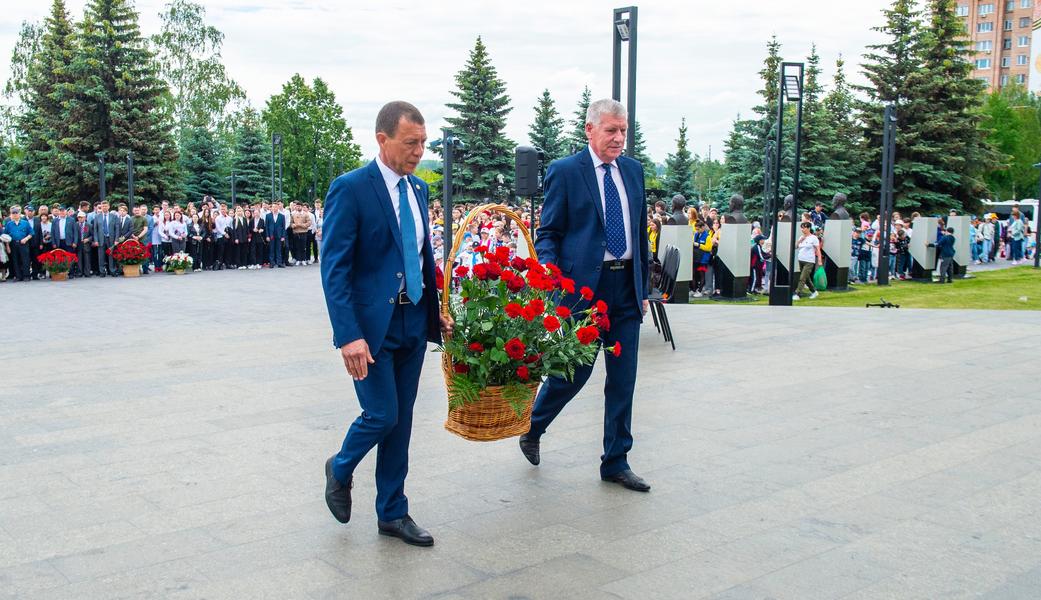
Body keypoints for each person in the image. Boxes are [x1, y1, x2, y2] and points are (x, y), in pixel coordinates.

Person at [320, 101, 452, 547]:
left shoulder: (418, 191)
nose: (419, 151)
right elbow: (334, 269)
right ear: (382, 139)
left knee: (402, 420)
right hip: (371, 328)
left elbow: (420, 258)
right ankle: (340, 467)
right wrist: (348, 335)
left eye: (423, 142)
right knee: (382, 413)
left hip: (413, 320)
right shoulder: (351, 189)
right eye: (410, 142)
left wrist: (436, 310)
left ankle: (392, 512)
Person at [519, 98, 652, 493]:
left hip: (625, 288)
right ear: (590, 129)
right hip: (582, 292)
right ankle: (533, 427)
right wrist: (552, 278)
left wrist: (642, 286)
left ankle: (616, 461)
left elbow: (639, 233)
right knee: (573, 375)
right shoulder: (565, 172)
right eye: (611, 130)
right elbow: (549, 233)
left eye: (623, 131)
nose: (619, 138)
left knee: (623, 379)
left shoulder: (633, 171)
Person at [3, 205, 33, 281]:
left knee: (25, 260)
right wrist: (7, 246)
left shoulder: (25, 223)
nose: (15, 215)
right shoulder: (9, 224)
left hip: (23, 243)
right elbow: (5, 236)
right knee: (15, 260)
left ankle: (26, 276)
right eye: (13, 213)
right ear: (11, 214)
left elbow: (31, 233)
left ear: (19, 214)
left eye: (16, 213)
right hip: (13, 244)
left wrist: (26, 239)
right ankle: (18, 276)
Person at [793, 222, 821, 300]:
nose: (803, 229)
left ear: (808, 228)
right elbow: (795, 247)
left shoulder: (813, 238)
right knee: (806, 278)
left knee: (802, 278)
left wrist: (819, 260)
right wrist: (800, 241)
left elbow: (818, 249)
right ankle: (814, 291)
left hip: (809, 261)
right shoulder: (801, 237)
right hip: (801, 259)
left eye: (804, 227)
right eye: (802, 228)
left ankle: (797, 293)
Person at [265, 202, 287, 268]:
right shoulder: (268, 215)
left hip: (279, 235)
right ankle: (272, 263)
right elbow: (266, 227)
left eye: (276, 207)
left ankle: (279, 263)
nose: (274, 208)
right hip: (271, 235)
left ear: (278, 207)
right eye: (273, 207)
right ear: (271, 208)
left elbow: (283, 227)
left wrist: (283, 236)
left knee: (279, 249)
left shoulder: (282, 216)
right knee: (271, 249)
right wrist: (267, 236)